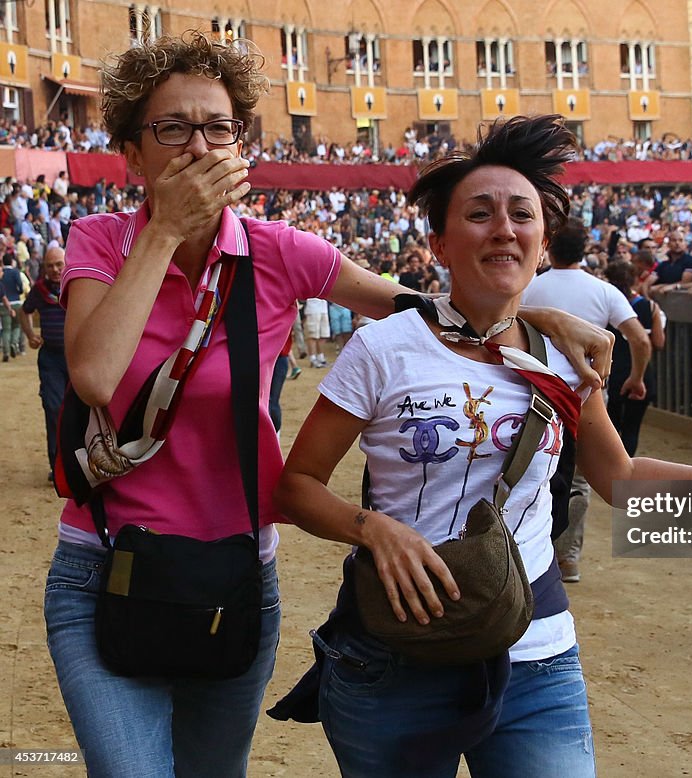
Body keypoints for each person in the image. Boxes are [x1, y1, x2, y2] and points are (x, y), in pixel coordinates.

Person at [44, 34, 610, 778]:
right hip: (107, 566)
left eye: (218, 127)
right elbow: (92, 373)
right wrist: (166, 230)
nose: (198, 146)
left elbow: (432, 306)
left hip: (236, 570)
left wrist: (541, 311)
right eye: (172, 128)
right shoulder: (100, 240)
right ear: (132, 153)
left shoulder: (279, 252)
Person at [272, 114, 692, 778]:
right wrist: (373, 530)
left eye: (522, 214)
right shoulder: (382, 347)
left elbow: (622, 481)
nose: (504, 229)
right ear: (438, 242)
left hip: (537, 657)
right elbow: (297, 484)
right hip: (399, 655)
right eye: (479, 214)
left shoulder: (563, 358)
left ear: (543, 241)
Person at [521, 216, 652, 582]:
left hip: (531, 396)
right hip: (586, 394)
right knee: (579, 480)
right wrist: (635, 377)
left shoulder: (530, 286)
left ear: (547, 245)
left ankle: (534, 554)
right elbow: (639, 339)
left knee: (536, 472)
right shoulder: (604, 290)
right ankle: (568, 557)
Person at [604, 260, 664, 455]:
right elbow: (659, 342)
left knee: (610, 427)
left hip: (612, 372)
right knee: (632, 428)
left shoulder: (605, 303)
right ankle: (625, 471)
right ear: (635, 280)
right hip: (641, 371)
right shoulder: (650, 307)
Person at [18, 246, 67, 479]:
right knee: (53, 408)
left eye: (59, 264)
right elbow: (25, 311)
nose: (55, 270)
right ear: (44, 268)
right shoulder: (39, 290)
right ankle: (57, 466)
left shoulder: (79, 284)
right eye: (50, 266)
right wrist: (30, 335)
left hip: (79, 357)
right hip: (51, 359)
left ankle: (81, 465)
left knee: (84, 411)